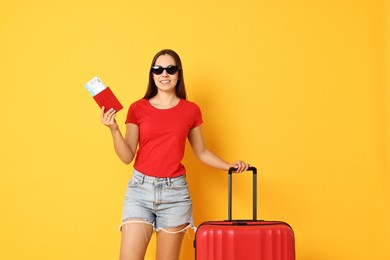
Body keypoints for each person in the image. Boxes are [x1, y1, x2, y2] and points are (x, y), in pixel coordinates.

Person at [100, 49, 250, 260]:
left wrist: (229, 166)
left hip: (175, 195)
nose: (164, 74)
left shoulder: (191, 110)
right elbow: (127, 157)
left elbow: (201, 151)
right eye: (158, 69)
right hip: (140, 191)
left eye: (170, 69)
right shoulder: (138, 108)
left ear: (179, 74)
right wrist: (114, 129)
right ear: (152, 74)